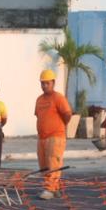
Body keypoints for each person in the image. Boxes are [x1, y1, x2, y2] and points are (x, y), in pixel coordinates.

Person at [34, 69, 72, 200]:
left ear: (53, 83)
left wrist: (60, 126)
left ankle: (49, 189)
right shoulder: (39, 100)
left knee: (53, 163)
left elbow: (67, 114)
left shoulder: (58, 98)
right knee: (44, 165)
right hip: (42, 137)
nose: (44, 86)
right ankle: (55, 188)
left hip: (56, 136)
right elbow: (39, 116)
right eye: (42, 83)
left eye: (47, 83)